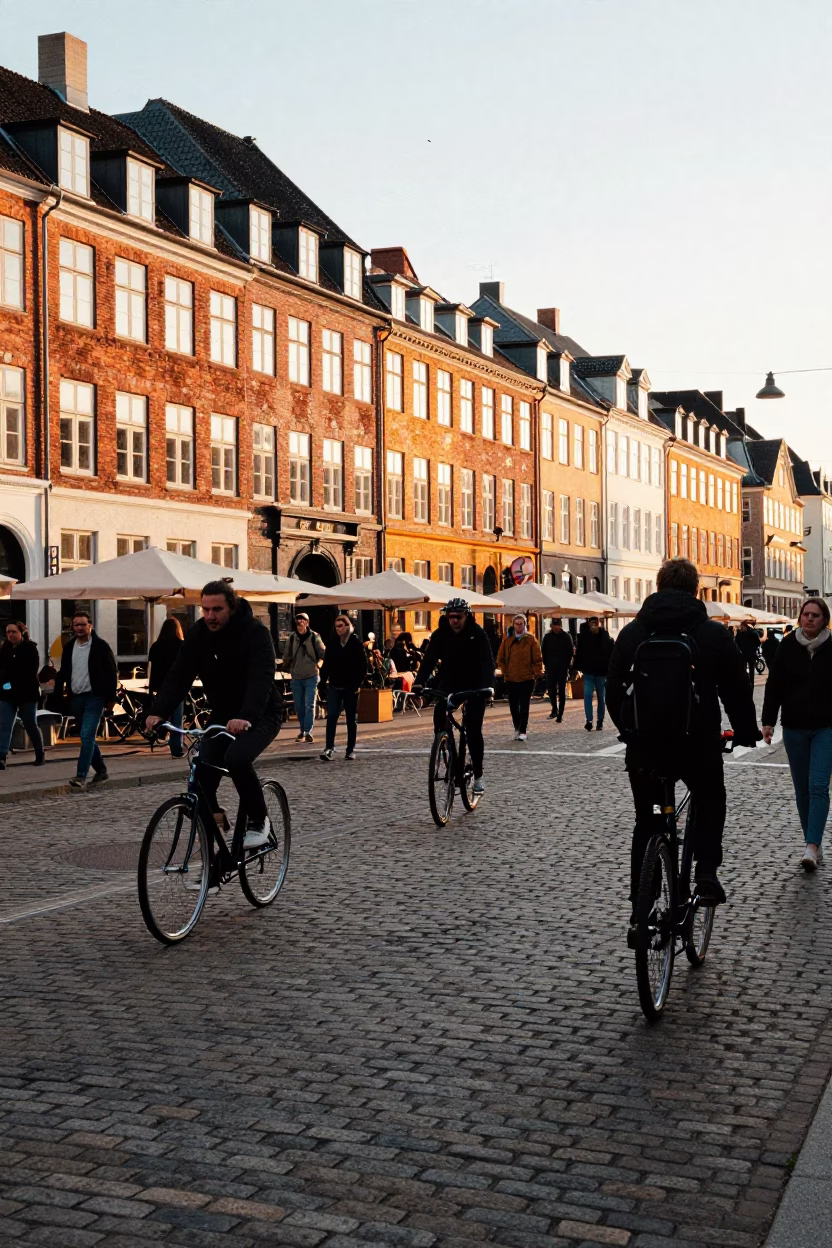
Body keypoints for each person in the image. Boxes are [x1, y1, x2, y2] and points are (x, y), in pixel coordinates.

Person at [607, 557, 760, 911]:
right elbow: (736, 688)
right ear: (694, 591)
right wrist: (745, 731)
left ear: (658, 588)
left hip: (645, 747)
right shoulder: (711, 633)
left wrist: (628, 730)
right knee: (709, 797)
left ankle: (641, 903)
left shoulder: (633, 632)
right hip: (696, 744)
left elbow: (614, 688)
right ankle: (706, 872)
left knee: (647, 819)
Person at [147, 582, 281, 849]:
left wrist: (246, 716)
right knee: (200, 782)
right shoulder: (199, 634)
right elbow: (179, 675)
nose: (210, 616)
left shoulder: (255, 633)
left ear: (231, 607)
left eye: (217, 609)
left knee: (237, 757)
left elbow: (261, 679)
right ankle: (214, 865)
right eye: (205, 609)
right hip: (223, 713)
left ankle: (258, 820)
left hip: (261, 711)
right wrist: (158, 712)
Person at [762, 598, 832, 871]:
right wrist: (768, 721)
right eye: (806, 614)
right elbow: (775, 684)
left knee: (817, 786)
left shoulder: (831, 647)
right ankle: (811, 841)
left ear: (824, 620)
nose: (809, 619)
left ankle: (812, 846)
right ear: (800, 617)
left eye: (815, 615)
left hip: (826, 727)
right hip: (794, 727)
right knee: (802, 789)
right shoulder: (787, 647)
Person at [413, 598, 495, 794]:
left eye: (458, 617)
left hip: (476, 683)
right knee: (439, 712)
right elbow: (429, 659)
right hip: (450, 681)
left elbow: (487, 663)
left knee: (473, 727)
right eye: (450, 617)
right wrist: (419, 681)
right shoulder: (441, 635)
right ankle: (445, 746)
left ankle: (478, 775)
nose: (454, 621)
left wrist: (488, 688)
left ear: (466, 616)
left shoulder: (477, 634)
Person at [54, 610, 118, 790]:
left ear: (90, 626)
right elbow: (64, 673)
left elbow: (111, 673)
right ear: (72, 627)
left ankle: (81, 776)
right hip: (76, 697)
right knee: (87, 737)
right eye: (76, 625)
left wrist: (110, 698)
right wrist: (59, 695)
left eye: (83, 624)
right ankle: (102, 770)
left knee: (86, 735)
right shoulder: (69, 647)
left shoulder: (100, 646)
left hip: (95, 697)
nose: (80, 628)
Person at [319, 614, 367, 761]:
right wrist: (322, 682)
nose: (338, 629)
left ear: (347, 626)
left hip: (350, 687)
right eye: (336, 626)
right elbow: (326, 665)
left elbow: (363, 666)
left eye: (341, 626)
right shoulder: (333, 644)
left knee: (351, 719)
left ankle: (350, 749)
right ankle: (329, 748)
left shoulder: (355, 643)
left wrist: (357, 684)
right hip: (335, 686)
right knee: (332, 716)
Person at [0, 620, 44, 768]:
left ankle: (39, 753)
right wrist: (5, 685)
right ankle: (2, 756)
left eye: (13, 632)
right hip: (8, 694)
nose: (10, 635)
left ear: (21, 633)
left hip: (27, 693)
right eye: (8, 632)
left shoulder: (30, 649)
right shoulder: (5, 649)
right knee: (5, 724)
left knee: (30, 724)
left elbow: (29, 672)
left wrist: (10, 683)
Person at [496, 614, 543, 741]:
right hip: (511, 678)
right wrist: (505, 672)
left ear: (525, 624)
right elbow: (500, 658)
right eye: (516, 623)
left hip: (527, 678)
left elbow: (537, 658)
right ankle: (517, 727)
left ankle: (523, 730)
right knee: (513, 706)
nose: (518, 626)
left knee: (524, 705)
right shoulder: (507, 641)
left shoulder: (531, 640)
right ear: (513, 625)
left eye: (521, 623)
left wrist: (535, 673)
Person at [284, 612, 325, 744]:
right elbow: (287, 655)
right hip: (296, 676)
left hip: (311, 675)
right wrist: (285, 666)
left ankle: (307, 731)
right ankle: (302, 730)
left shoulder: (314, 637)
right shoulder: (291, 637)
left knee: (309, 704)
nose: (299, 622)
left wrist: (318, 665)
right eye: (298, 620)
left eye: (302, 620)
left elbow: (323, 654)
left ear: (307, 622)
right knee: (299, 705)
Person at [148, 617, 185, 758]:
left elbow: (152, 668)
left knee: (161, 713)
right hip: (177, 686)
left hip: (160, 686)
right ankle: (176, 748)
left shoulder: (156, 646)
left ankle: (160, 734)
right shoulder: (181, 645)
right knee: (177, 719)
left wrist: (151, 688)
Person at [573, 615, 614, 731]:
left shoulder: (604, 635)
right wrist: (577, 667)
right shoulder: (584, 636)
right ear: (589, 623)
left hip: (601, 672)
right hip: (589, 671)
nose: (594, 625)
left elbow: (610, 650)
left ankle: (599, 721)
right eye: (592, 623)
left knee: (601, 697)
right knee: (587, 695)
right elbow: (580, 652)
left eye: (595, 623)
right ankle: (589, 720)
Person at [541, 618, 574, 722]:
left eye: (556, 625)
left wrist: (568, 666)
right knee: (551, 689)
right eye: (553, 626)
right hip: (551, 667)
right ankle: (554, 709)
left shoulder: (566, 637)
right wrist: (546, 664)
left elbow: (570, 652)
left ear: (560, 626)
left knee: (562, 690)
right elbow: (544, 651)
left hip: (563, 667)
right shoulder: (547, 637)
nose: (555, 627)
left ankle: (560, 713)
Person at [736, 620, 760, 687]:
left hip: (748, 654)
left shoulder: (751, 633)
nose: (741, 628)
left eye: (742, 626)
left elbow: (758, 643)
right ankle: (747, 682)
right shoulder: (743, 634)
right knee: (744, 670)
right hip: (747, 654)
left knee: (749, 670)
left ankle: (750, 683)